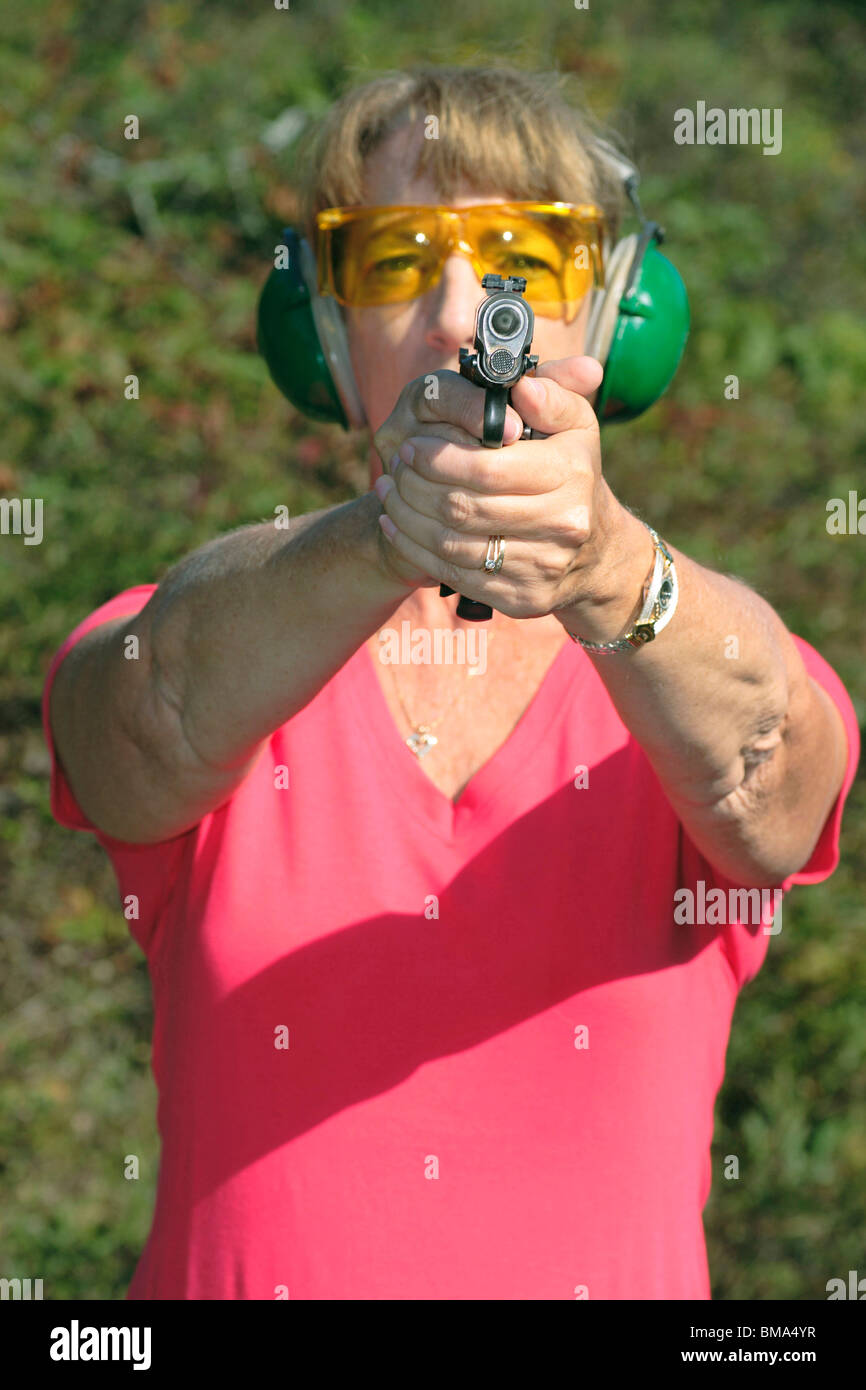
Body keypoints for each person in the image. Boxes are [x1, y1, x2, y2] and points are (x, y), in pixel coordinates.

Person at [42, 65, 859, 1300]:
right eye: (393, 259)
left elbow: (773, 779)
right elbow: (140, 726)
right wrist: (382, 540)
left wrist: (603, 565)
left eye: (524, 258)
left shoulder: (686, 656)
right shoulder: (217, 638)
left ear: (615, 313)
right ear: (321, 328)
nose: (460, 311)